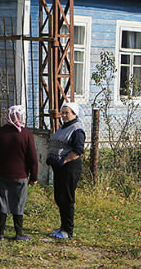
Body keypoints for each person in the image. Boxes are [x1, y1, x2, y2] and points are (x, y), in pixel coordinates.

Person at [0, 105, 38, 241]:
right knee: (19, 203)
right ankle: (18, 233)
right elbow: (33, 158)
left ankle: (0, 233)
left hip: (0, 175)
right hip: (20, 176)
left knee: (1, 203)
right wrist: (34, 177)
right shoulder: (26, 134)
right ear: (21, 116)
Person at [46, 101, 86, 240]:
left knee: (67, 199)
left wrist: (64, 161)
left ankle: (68, 231)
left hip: (69, 168)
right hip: (59, 168)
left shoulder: (77, 129)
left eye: (66, 113)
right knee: (59, 197)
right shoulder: (64, 126)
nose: (63, 115)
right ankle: (62, 227)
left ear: (74, 114)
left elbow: (78, 150)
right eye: (62, 112)